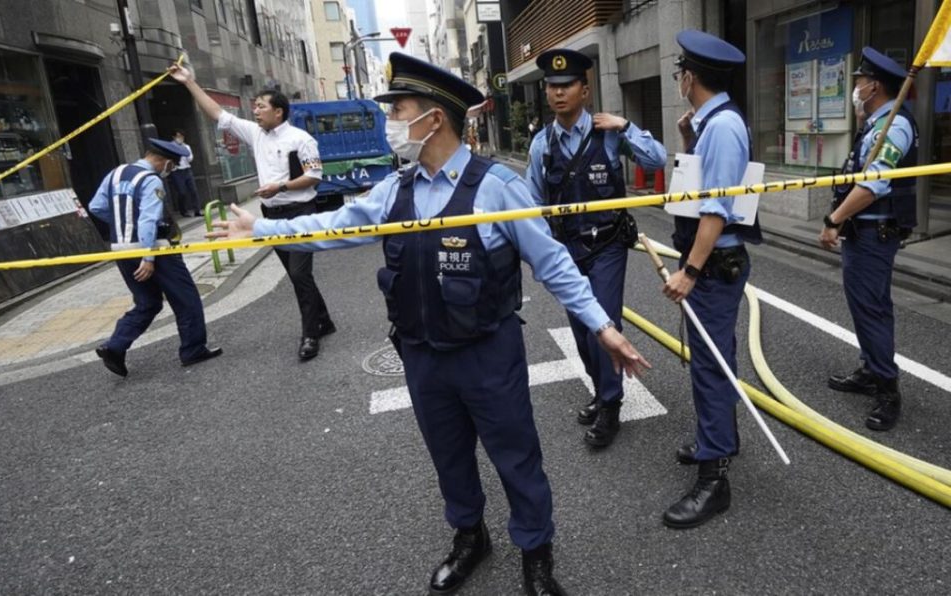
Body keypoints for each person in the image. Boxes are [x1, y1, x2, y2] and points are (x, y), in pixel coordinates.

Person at [210, 52, 652, 596]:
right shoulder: (395, 190)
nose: (391, 121)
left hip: (489, 354)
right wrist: (260, 230)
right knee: (449, 456)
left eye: (399, 110)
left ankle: (536, 554)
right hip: (421, 354)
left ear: (434, 118)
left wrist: (603, 327)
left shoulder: (497, 188)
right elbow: (334, 226)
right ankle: (470, 537)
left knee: (517, 458)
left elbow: (554, 263)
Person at [526, 49, 666, 449]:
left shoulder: (609, 133)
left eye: (566, 85)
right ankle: (600, 390)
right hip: (566, 249)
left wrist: (627, 126)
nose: (558, 93)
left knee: (603, 323)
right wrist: (541, 254)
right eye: (551, 86)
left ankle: (610, 404)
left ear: (584, 91)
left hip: (607, 244)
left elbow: (657, 160)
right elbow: (532, 204)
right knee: (582, 328)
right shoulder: (542, 144)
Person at [660, 30, 761, 529]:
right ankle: (717, 441)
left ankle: (714, 478)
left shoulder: (721, 127)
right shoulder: (709, 125)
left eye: (680, 73)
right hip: (713, 263)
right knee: (713, 360)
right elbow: (700, 190)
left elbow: (716, 210)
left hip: (715, 266)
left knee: (711, 367)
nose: (679, 80)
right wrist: (686, 142)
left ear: (691, 77)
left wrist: (690, 272)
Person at [169, 63, 335, 361]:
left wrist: (280, 186)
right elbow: (218, 114)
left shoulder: (301, 139)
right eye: (254, 106)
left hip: (301, 213)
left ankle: (311, 334)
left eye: (261, 106)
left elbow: (314, 176)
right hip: (272, 215)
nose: (255, 111)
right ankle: (323, 320)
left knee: (300, 273)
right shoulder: (255, 133)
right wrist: (189, 82)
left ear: (278, 112)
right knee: (296, 275)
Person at [820, 47, 918, 432]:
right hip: (865, 233)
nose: (856, 87)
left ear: (874, 86)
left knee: (872, 308)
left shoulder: (893, 126)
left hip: (874, 234)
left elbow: (873, 184)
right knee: (865, 306)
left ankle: (887, 389)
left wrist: (834, 220)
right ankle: (870, 369)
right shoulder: (877, 122)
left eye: (860, 80)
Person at [88, 139, 223, 377]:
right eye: (172, 166)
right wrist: (148, 257)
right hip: (156, 251)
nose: (170, 171)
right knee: (186, 299)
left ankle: (114, 347)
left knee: (147, 302)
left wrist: (124, 224)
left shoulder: (115, 173)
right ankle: (193, 350)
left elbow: (96, 207)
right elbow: (148, 220)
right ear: (165, 162)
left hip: (121, 250)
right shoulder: (151, 180)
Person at [170, 129, 201, 216]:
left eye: (181, 136)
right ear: (174, 137)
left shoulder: (186, 146)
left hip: (187, 169)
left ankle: (197, 210)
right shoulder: (171, 146)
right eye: (178, 136)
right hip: (177, 171)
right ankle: (183, 211)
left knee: (193, 190)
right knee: (182, 192)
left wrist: (184, 152)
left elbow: (190, 159)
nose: (180, 138)